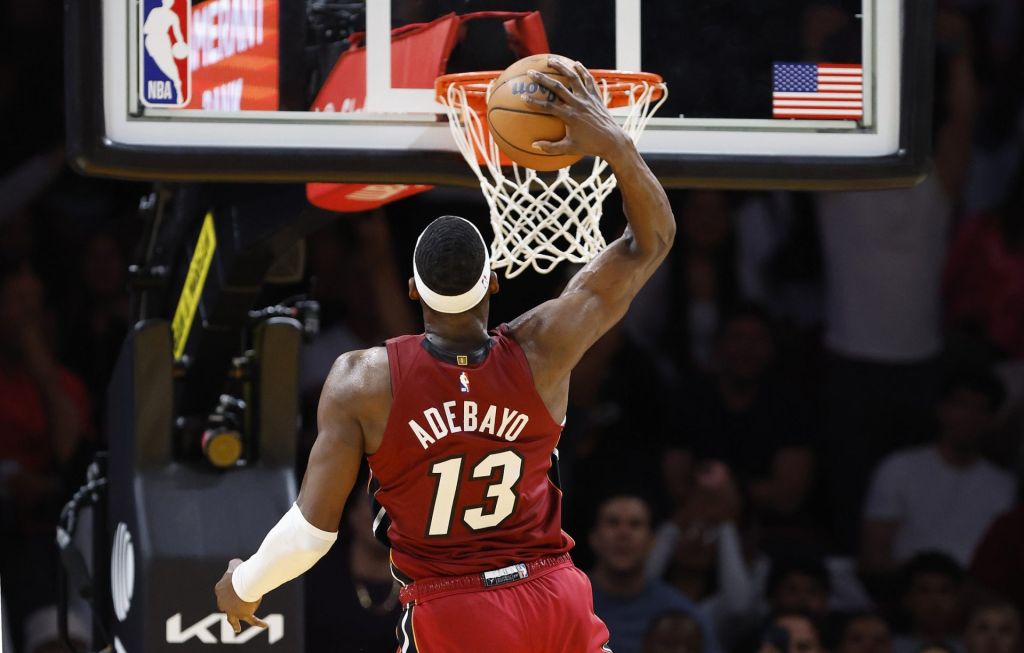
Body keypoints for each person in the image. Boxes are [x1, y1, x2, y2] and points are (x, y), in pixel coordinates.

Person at [213, 57, 676, 653]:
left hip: (456, 609)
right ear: (493, 284)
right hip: (555, 598)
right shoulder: (545, 347)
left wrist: (244, 584)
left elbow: (311, 534)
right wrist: (614, 142)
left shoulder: (362, 381)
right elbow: (650, 242)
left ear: (413, 290)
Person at [860, 369, 1014, 573]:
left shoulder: (1004, 485)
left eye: (981, 409)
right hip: (906, 585)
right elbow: (875, 553)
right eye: (962, 405)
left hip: (974, 588)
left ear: (992, 420)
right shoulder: (899, 468)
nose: (969, 417)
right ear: (941, 409)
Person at [588, 495, 718, 653]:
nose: (623, 534)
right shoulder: (566, 604)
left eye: (635, 525)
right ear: (594, 538)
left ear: (651, 542)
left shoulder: (682, 615)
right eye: (613, 523)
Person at [891, 553, 966, 653]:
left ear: (958, 598)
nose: (935, 599)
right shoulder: (888, 647)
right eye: (924, 590)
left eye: (944, 591)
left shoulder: (971, 647)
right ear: (907, 598)